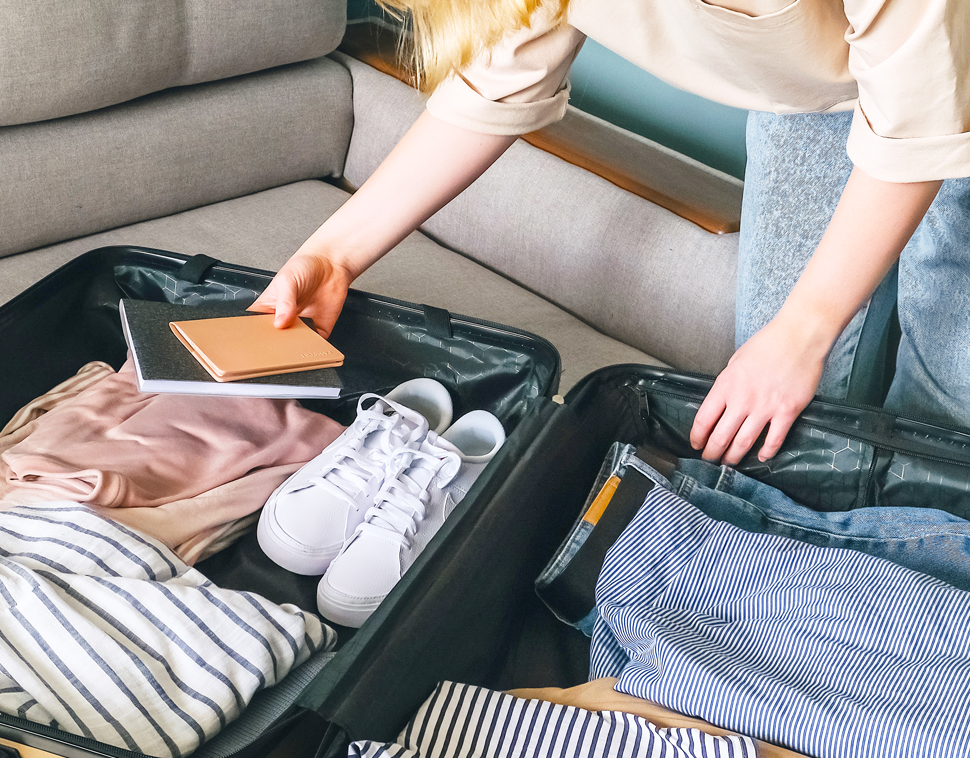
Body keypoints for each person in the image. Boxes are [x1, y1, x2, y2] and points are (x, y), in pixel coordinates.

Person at [249, 0, 970, 464]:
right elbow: (498, 81)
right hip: (819, 92)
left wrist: (803, 331)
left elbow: (921, 125)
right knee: (774, 400)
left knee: (948, 396)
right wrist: (334, 253)